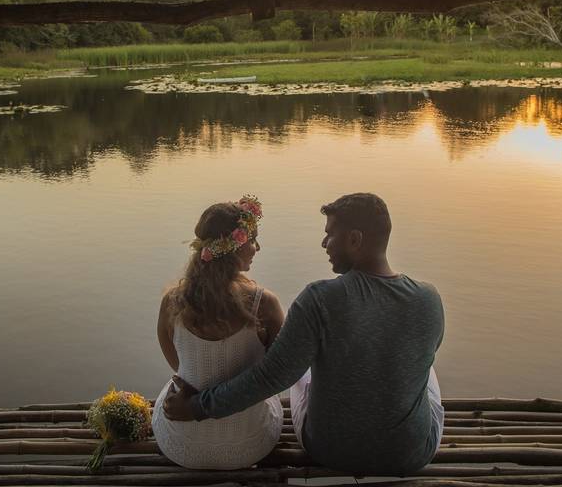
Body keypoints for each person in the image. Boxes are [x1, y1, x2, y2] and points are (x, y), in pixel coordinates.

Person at [164, 193, 445, 476]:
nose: (324, 243)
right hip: (410, 454)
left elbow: (270, 378)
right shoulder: (429, 299)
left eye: (330, 235)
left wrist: (197, 407)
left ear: (355, 240)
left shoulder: (319, 299)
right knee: (426, 370)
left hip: (329, 450)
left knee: (300, 372)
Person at [151, 196, 286, 469]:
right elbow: (278, 371)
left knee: (178, 379)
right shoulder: (265, 304)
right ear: (234, 248)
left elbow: (176, 361)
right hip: (249, 444)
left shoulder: (173, 301)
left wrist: (202, 378)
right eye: (251, 240)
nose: (256, 248)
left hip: (182, 445)